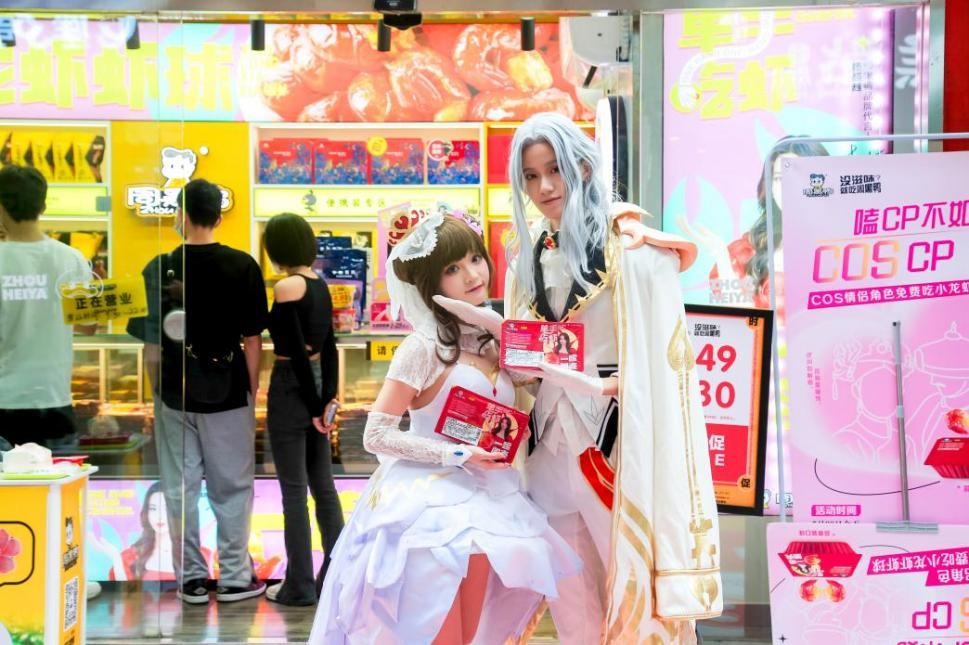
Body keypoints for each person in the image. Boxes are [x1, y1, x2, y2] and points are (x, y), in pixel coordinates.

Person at [437, 112, 723, 644]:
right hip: (547, 449)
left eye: (555, 170)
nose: (545, 187)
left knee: (635, 594)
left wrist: (600, 386)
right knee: (570, 597)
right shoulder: (524, 260)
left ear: (584, 167)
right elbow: (524, 366)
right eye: (531, 176)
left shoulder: (636, 253)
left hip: (616, 447)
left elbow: (665, 370)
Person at [310, 213, 580, 644]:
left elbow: (544, 374)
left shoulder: (491, 341)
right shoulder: (421, 346)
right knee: (437, 633)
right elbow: (375, 435)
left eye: (475, 258)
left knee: (472, 634)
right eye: (453, 268)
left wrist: (500, 333)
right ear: (431, 282)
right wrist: (456, 453)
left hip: (490, 503)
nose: (472, 274)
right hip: (429, 508)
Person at [127, 178, 268, 604]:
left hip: (174, 394)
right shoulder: (242, 266)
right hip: (230, 391)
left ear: (181, 215)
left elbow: (152, 345)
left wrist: (157, 391)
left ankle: (190, 578)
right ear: (218, 217)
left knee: (181, 488)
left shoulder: (159, 267)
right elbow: (253, 341)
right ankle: (235, 578)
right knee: (233, 487)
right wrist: (251, 389)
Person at [262, 213, 344, 606]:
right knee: (324, 488)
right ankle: (338, 575)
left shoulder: (286, 287)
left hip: (290, 388)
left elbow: (294, 353)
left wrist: (313, 404)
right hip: (317, 388)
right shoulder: (320, 284)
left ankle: (299, 585)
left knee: (294, 493)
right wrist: (326, 400)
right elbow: (329, 347)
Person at [0, 164, 92, 448]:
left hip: (4, 400)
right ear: (42, 205)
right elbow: (88, 326)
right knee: (56, 478)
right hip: (54, 400)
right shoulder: (72, 259)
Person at [678, 137, 829, 309]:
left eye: (797, 177)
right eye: (779, 178)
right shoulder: (750, 247)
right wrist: (722, 256)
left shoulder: (840, 242)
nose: (786, 187)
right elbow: (739, 314)